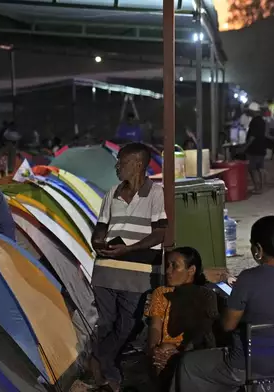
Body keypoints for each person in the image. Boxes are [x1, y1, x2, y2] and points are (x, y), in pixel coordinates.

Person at [170, 216, 274, 392]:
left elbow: (227, 325)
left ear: (258, 249)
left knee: (188, 364)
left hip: (253, 363)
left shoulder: (248, 278)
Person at [90, 142, 167, 392]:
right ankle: (109, 371)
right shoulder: (111, 193)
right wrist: (97, 241)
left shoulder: (156, 193)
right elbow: (101, 227)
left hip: (138, 272)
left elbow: (160, 234)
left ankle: (100, 361)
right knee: (106, 322)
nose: (117, 167)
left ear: (137, 165)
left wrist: (129, 249)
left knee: (130, 324)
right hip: (106, 269)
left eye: (121, 163)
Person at [146, 247, 219, 391]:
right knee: (162, 352)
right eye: (167, 265)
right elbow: (155, 326)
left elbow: (203, 333)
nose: (168, 271)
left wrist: (180, 352)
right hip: (164, 350)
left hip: (193, 349)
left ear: (191, 270)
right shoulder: (161, 293)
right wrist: (154, 349)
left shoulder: (205, 295)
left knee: (168, 353)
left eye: (175, 266)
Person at [243, 102, 267, 194]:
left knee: (252, 168)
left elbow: (252, 136)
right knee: (260, 168)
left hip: (254, 148)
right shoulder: (262, 120)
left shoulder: (254, 121)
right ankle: (261, 187)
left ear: (253, 111)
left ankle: (257, 187)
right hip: (261, 147)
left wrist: (245, 146)